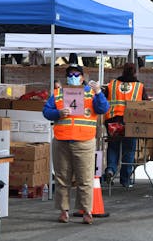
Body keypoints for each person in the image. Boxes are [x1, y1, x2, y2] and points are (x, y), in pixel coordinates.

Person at [43, 64, 109, 225]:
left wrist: (99, 92)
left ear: (82, 76)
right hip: (62, 140)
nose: (73, 76)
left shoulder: (91, 93)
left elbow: (103, 108)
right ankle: (64, 211)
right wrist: (58, 113)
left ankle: (87, 211)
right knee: (62, 178)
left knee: (85, 178)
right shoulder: (58, 94)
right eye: (70, 74)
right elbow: (46, 111)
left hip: (84, 141)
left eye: (76, 74)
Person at [102, 63, 147, 188]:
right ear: (135, 73)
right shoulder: (139, 86)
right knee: (129, 149)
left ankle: (110, 169)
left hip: (113, 120)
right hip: (131, 121)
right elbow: (145, 103)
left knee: (113, 146)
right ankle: (125, 179)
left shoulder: (112, 85)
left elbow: (103, 101)